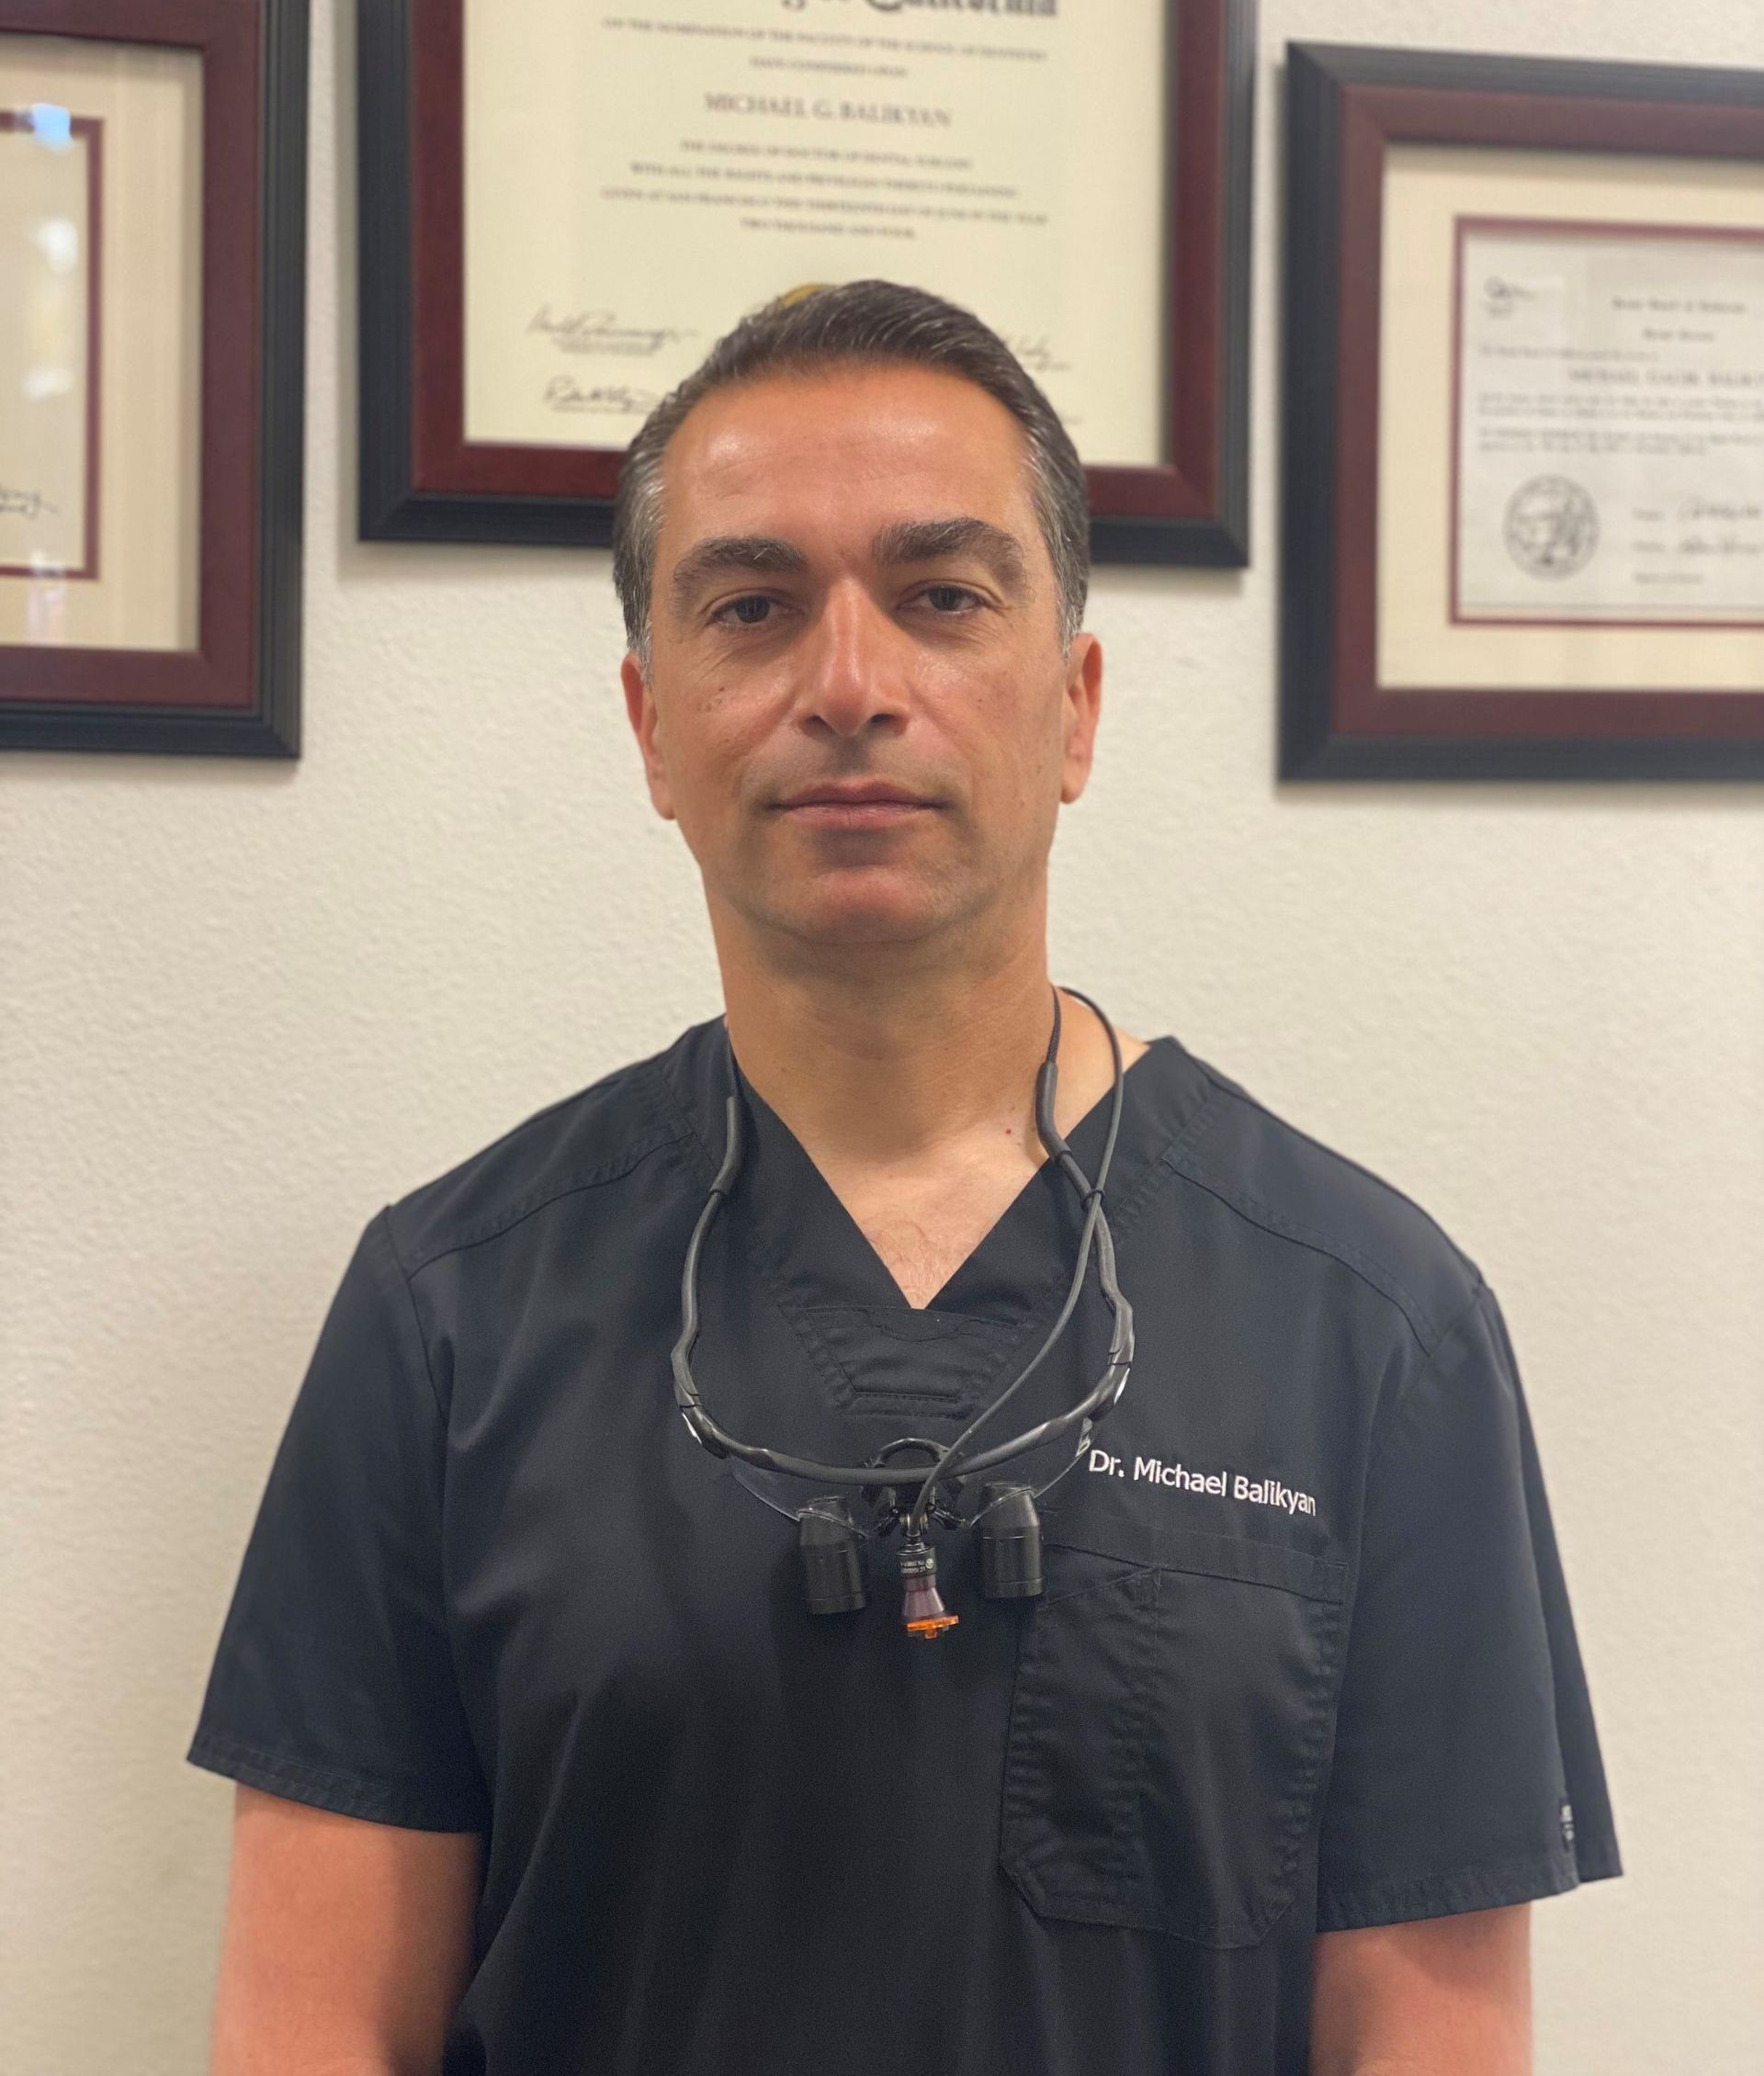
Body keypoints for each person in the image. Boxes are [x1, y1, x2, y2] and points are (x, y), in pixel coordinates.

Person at [187, 279, 1622, 2076]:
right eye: (754, 605)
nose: (851, 685)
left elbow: (1429, 2042)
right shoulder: (449, 1312)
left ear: (1076, 702)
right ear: (650, 719)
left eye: (941, 596)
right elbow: (308, 2025)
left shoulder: (1377, 1326)